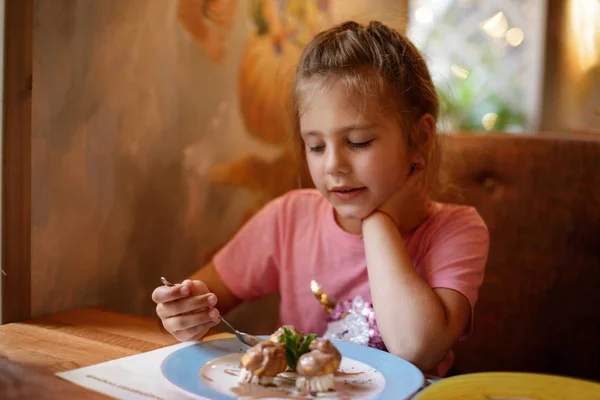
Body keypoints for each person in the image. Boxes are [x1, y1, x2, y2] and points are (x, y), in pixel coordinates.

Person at [152, 20, 489, 377]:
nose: (333, 165)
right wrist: (184, 314)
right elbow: (202, 299)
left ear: (419, 138)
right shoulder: (289, 217)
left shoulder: (456, 230)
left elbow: (415, 348)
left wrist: (376, 222)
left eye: (358, 142)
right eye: (315, 145)